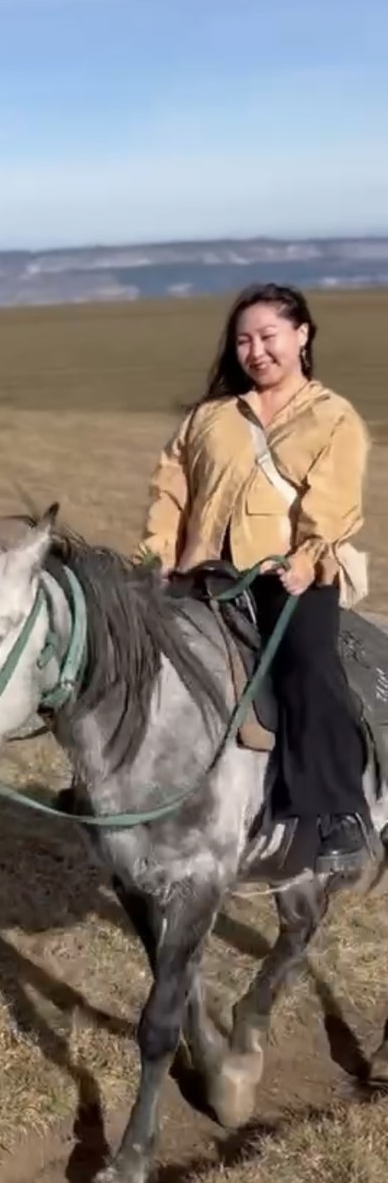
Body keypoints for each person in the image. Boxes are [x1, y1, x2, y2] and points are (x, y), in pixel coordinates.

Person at [137, 281, 373, 874]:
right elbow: (172, 487)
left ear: (302, 335)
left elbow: (335, 502)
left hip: (287, 575)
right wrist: (159, 549)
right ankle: (117, 788)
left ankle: (338, 812)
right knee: (128, 655)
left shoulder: (333, 418)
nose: (256, 350)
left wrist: (306, 557)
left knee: (306, 665)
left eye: (268, 336)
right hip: (201, 574)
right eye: (243, 340)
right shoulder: (209, 417)